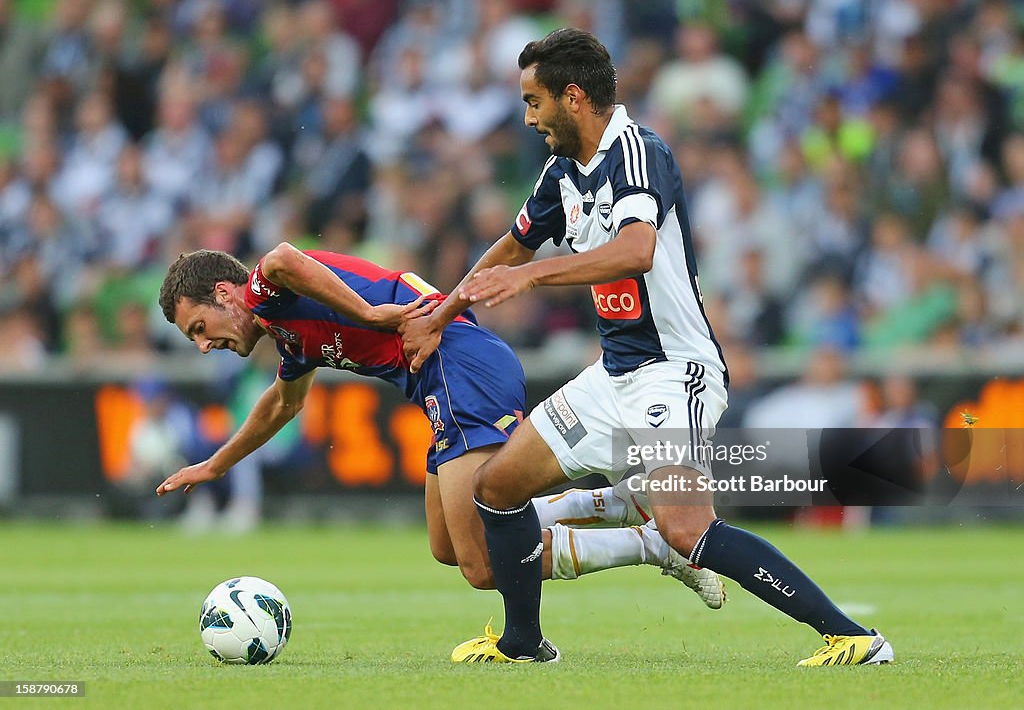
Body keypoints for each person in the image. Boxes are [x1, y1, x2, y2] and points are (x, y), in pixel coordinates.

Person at [401, 28, 893, 666]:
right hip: (614, 376)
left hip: (674, 372)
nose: (527, 118)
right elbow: (514, 244)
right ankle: (524, 642)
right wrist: (443, 311)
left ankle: (854, 637)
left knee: (687, 529)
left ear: (572, 97)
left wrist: (528, 277)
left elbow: (637, 250)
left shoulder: (639, 152)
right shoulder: (563, 173)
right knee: (498, 488)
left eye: (533, 102)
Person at [154, 245, 725, 606]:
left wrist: (370, 314)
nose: (205, 345)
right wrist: (215, 465)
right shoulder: (287, 332)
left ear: (226, 294)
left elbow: (282, 257)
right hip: (441, 386)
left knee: (482, 563)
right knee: (448, 548)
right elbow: (283, 404)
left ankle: (656, 547)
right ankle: (619, 505)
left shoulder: (267, 287)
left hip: (460, 362)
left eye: (200, 327)